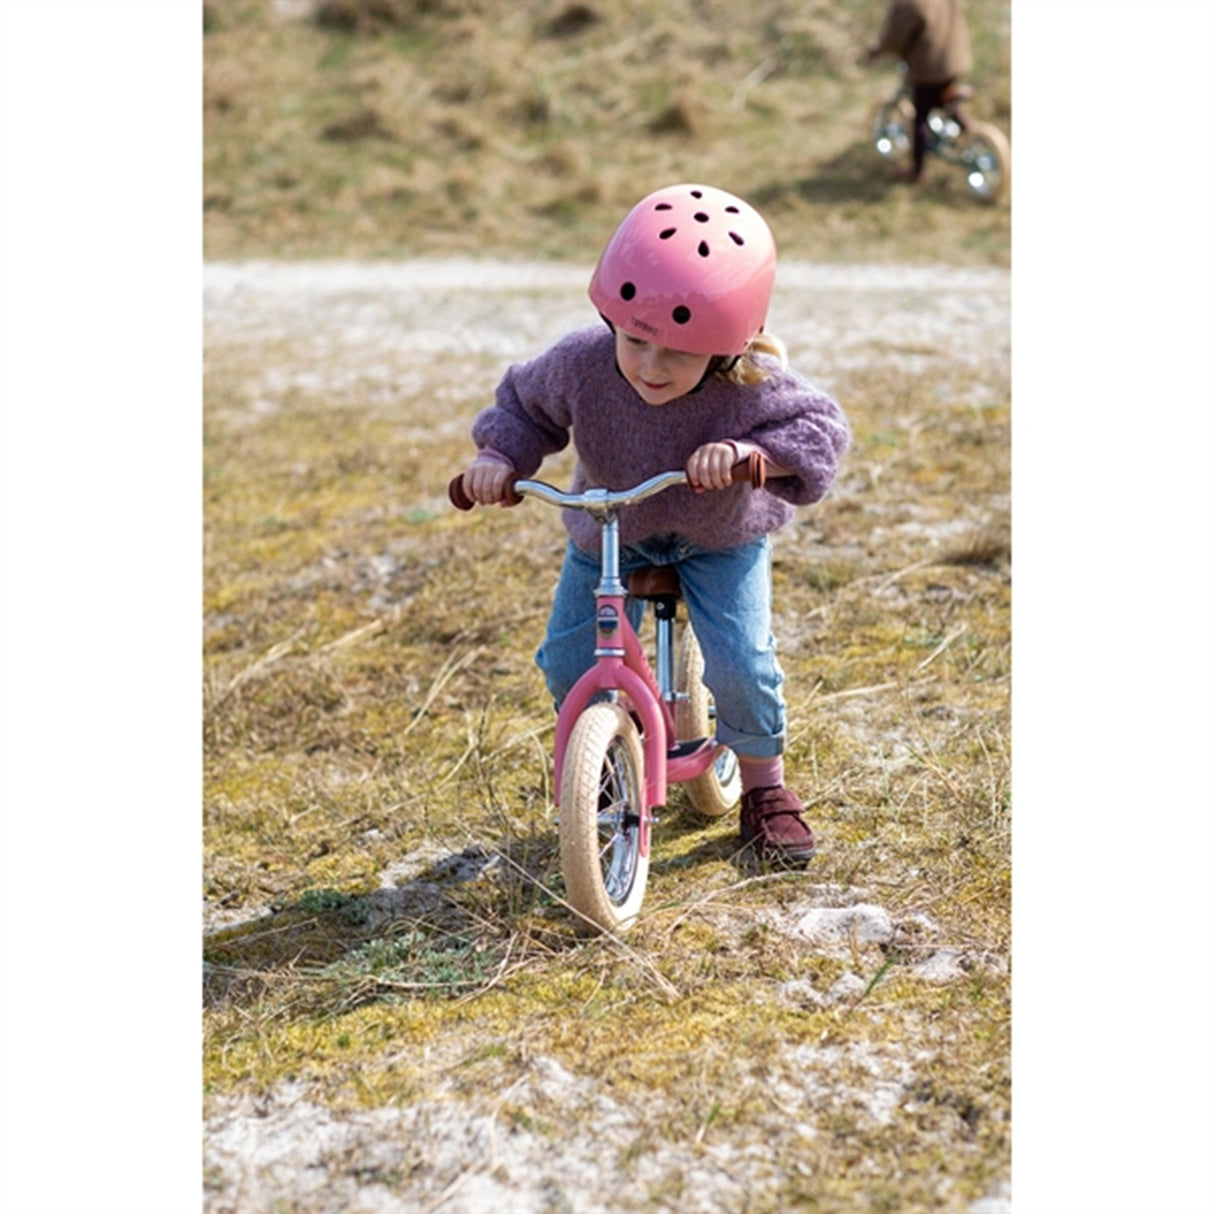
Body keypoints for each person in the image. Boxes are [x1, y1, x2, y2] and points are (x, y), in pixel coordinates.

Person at [458, 183, 850, 865]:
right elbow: (524, 407)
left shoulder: (748, 382)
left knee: (744, 666)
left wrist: (750, 455)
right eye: (637, 341)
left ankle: (764, 791)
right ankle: (605, 767)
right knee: (568, 660)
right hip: (609, 532)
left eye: (680, 351)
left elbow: (821, 430)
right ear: (614, 319)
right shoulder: (581, 362)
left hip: (717, 538)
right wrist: (499, 456)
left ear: (728, 348)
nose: (650, 365)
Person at [866, 0, 972, 183]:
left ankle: (917, 170)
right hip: (953, 61)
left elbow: (895, 37)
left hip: (928, 68)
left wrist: (878, 50)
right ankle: (970, 135)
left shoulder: (908, 4)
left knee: (920, 117)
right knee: (944, 100)